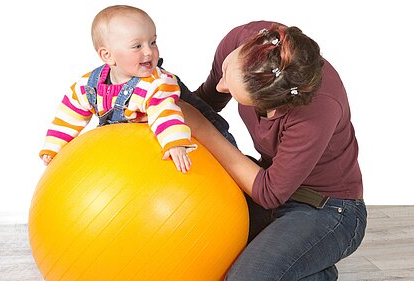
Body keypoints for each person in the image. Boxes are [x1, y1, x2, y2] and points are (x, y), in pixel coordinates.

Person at [178, 21, 367, 280]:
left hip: (327, 209)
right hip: (264, 187)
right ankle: (303, 267)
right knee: (197, 248)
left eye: (233, 91)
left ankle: (310, 260)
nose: (222, 86)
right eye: (227, 71)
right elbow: (207, 102)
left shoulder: (318, 108)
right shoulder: (243, 43)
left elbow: (270, 193)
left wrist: (202, 128)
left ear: (275, 107)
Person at [39, 5, 197, 173]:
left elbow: (165, 112)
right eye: (137, 46)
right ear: (108, 55)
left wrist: (175, 142)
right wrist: (54, 147)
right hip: (119, 155)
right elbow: (69, 115)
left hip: (148, 150)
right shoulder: (90, 86)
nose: (149, 51)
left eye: (152, 42)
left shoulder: (156, 83)